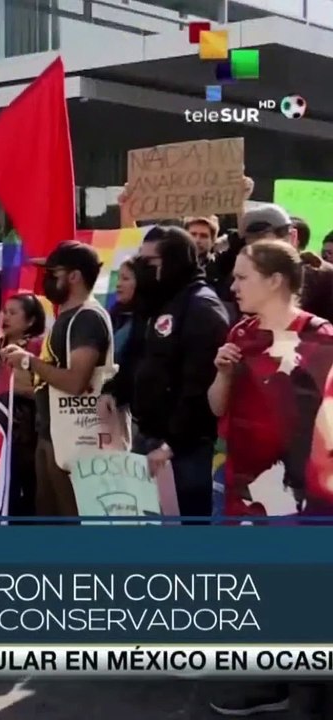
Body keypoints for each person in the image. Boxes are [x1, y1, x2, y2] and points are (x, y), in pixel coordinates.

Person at [206, 239, 332, 717]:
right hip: (247, 484)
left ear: (275, 281)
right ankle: (273, 680)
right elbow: (216, 408)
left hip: (306, 493)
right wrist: (221, 374)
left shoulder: (322, 339)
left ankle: (311, 690)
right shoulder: (239, 334)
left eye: (242, 277)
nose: (232, 286)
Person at [107, 226, 230, 519]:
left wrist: (172, 443)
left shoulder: (201, 306)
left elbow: (198, 385)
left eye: (150, 262)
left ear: (174, 261)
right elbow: (138, 356)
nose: (142, 268)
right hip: (149, 438)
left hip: (183, 450)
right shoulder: (153, 303)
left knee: (185, 534)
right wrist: (114, 390)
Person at [1, 241, 112, 518]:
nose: (46, 279)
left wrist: (28, 361)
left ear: (73, 277)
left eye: (53, 273)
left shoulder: (86, 318)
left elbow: (76, 382)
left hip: (76, 440)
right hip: (54, 435)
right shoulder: (68, 316)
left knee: (72, 520)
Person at [0, 293, 47, 518]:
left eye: (13, 313)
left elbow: (43, 387)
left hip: (22, 428)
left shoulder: (36, 347)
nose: (5, 317)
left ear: (30, 321)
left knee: (22, 486)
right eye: (4, 312)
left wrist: (11, 389)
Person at [237, 204, 333, 321]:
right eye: (253, 247)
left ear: (292, 237)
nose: (260, 254)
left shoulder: (325, 278)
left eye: (268, 245)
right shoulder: (244, 278)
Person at [110, 259, 138, 359]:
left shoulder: (144, 321)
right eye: (118, 278)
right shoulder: (112, 314)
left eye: (125, 279)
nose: (118, 284)